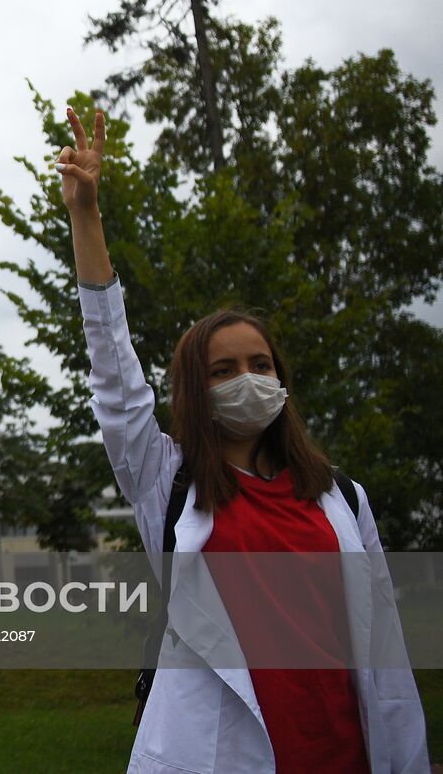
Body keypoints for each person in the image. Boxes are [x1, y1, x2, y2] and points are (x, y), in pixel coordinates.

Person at [57, 108, 428, 773]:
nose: (247, 379)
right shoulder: (166, 482)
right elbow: (112, 366)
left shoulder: (342, 496)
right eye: (223, 370)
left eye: (260, 364)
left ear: (281, 375)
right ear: (194, 390)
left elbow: (387, 653)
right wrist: (87, 214)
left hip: (345, 750)